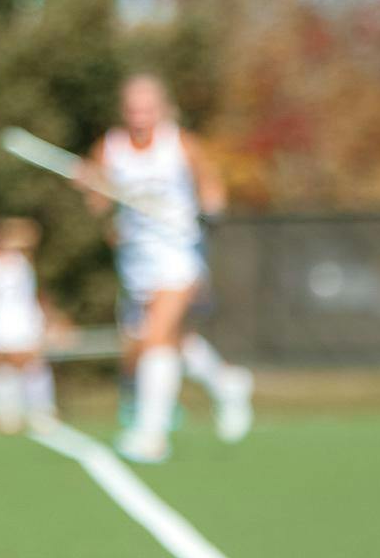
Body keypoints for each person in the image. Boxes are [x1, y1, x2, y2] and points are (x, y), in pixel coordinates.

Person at [79, 74, 252, 463]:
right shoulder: (110, 148)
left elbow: (210, 187)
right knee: (167, 342)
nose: (140, 116)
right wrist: (91, 185)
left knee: (157, 337)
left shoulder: (181, 144)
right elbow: (98, 204)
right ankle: (227, 382)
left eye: (147, 107)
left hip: (178, 255)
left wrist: (210, 213)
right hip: (136, 261)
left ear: (161, 108)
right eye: (133, 108)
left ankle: (151, 435)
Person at [0, 217, 56, 434]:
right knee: (1, 365)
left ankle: (41, 411)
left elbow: (31, 232)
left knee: (31, 362)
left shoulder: (21, 258)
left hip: (23, 318)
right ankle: (7, 414)